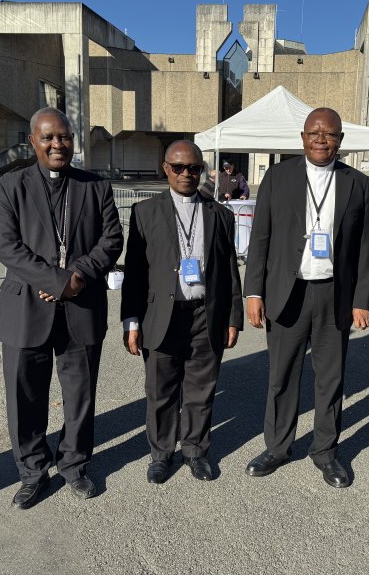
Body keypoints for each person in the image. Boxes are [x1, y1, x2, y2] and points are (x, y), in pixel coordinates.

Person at [0, 107, 122, 510]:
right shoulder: (10, 186)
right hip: (26, 309)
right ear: (33, 141)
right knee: (24, 396)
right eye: (48, 137)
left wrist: (76, 276)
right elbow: (7, 246)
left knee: (79, 395)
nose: (57, 144)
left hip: (81, 307)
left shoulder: (94, 186)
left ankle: (75, 465)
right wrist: (56, 281)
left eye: (63, 137)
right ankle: (32, 471)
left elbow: (112, 238)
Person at [243, 107, 369, 488]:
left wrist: (361, 299)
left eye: (330, 134)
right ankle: (278, 447)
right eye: (314, 133)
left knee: (330, 379)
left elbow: (364, 245)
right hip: (289, 291)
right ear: (302, 137)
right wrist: (253, 291)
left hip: (334, 293)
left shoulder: (356, 183)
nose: (321, 139)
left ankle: (325, 451)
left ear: (340, 141)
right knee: (282, 376)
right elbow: (260, 238)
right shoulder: (277, 176)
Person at [121, 140, 243, 483]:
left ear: (202, 170)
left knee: (200, 390)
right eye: (178, 167)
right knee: (160, 391)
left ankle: (195, 450)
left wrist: (233, 317)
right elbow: (135, 275)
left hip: (206, 314)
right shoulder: (145, 213)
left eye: (194, 168)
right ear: (165, 169)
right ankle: (161, 453)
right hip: (162, 315)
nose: (186, 174)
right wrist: (131, 321)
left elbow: (230, 270)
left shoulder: (221, 214)